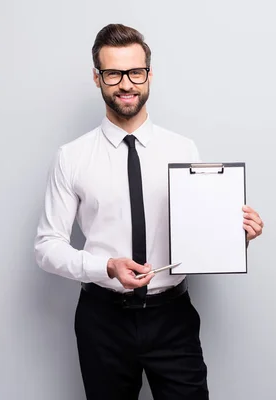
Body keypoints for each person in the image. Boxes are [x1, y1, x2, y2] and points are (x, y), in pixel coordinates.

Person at [33, 23, 264, 400]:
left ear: (149, 74)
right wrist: (105, 267)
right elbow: (46, 246)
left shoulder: (183, 150)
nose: (126, 84)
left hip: (171, 318)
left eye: (135, 72)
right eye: (113, 73)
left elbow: (199, 236)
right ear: (97, 78)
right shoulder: (72, 157)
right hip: (102, 319)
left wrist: (236, 237)